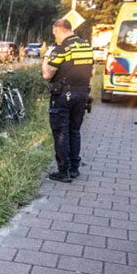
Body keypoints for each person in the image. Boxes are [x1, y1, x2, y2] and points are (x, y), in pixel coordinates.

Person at [41, 19, 95, 183]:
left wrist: (46, 57)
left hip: (64, 96)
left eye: (55, 32)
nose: (55, 36)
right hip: (82, 94)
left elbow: (47, 74)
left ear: (60, 29)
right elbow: (92, 72)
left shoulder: (62, 48)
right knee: (74, 131)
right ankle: (74, 168)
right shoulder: (87, 46)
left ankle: (63, 171)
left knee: (61, 133)